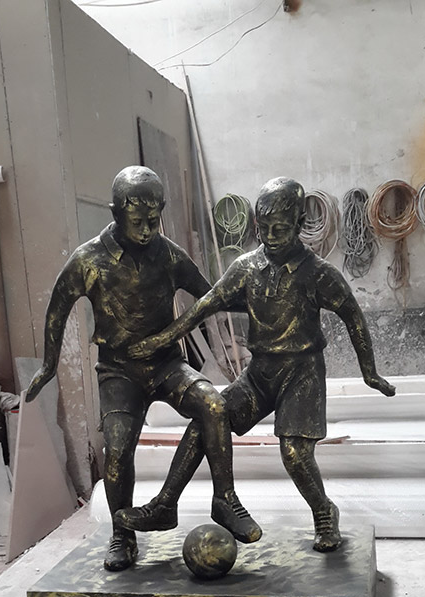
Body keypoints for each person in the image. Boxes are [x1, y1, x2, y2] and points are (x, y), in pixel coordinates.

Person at [119, 177, 396, 552]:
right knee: (208, 420)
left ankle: (324, 511)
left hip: (301, 374)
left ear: (299, 224)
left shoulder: (318, 273)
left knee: (295, 454)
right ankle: (165, 505)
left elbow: (354, 318)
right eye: (264, 228)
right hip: (260, 373)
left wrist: (369, 372)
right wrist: (163, 338)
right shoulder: (246, 267)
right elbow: (206, 305)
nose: (272, 236)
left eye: (281, 228)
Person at [26, 166, 261, 571]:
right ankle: (122, 534)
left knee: (214, 405)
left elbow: (211, 296)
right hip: (118, 372)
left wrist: (267, 299)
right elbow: (57, 310)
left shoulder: (169, 255)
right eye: (137, 221)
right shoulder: (89, 259)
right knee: (117, 451)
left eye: (154, 220)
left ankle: (223, 498)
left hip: (167, 364)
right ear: (116, 212)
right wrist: (48, 365)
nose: (147, 230)